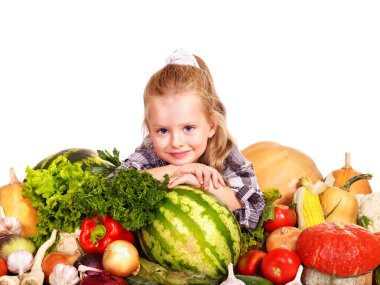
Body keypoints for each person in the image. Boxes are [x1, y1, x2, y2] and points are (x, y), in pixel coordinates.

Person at [118, 49, 265, 230]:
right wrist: (177, 170)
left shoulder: (225, 154)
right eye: (163, 131)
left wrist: (202, 184)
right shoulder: (150, 151)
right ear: (150, 129)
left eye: (188, 128)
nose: (176, 142)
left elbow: (256, 216)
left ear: (211, 126)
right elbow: (115, 186)